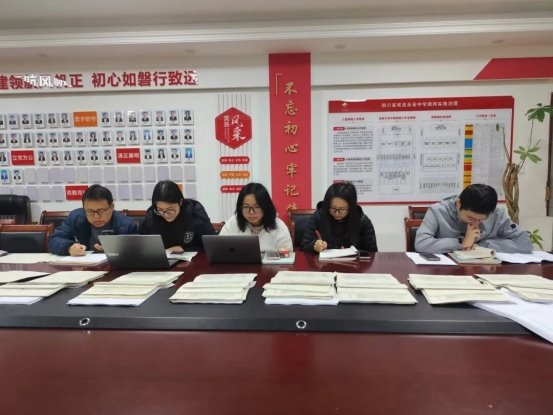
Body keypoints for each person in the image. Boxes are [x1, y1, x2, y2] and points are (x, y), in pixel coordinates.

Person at [415, 183, 533, 254]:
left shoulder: (497, 214)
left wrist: (482, 244)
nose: (475, 223)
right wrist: (462, 243)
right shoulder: (438, 210)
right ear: (458, 203)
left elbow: (524, 243)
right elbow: (421, 244)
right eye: (470, 217)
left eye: (481, 219)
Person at [48, 184, 138, 256]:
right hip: (82, 268)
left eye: (101, 211)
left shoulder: (126, 225)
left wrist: (116, 251)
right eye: (89, 211)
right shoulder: (75, 218)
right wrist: (69, 247)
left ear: (112, 207)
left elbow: (135, 251)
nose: (96, 217)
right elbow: (54, 240)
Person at [139, 180, 216, 252]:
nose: (166, 214)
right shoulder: (153, 215)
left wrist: (185, 249)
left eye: (170, 209)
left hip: (193, 260)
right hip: (162, 260)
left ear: (181, 202)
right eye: (160, 210)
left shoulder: (195, 213)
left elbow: (212, 245)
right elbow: (142, 246)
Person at [301, 182, 378, 253]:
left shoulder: (362, 221)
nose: (337, 213)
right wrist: (314, 245)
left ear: (351, 207)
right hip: (325, 263)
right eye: (332, 208)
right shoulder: (318, 217)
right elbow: (304, 246)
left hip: (354, 263)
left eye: (342, 209)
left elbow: (373, 252)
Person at [219, 182, 293, 253]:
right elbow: (220, 249)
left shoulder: (279, 227)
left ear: (266, 206)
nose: (251, 212)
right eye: (246, 207)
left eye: (257, 207)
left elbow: (288, 256)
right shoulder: (233, 223)